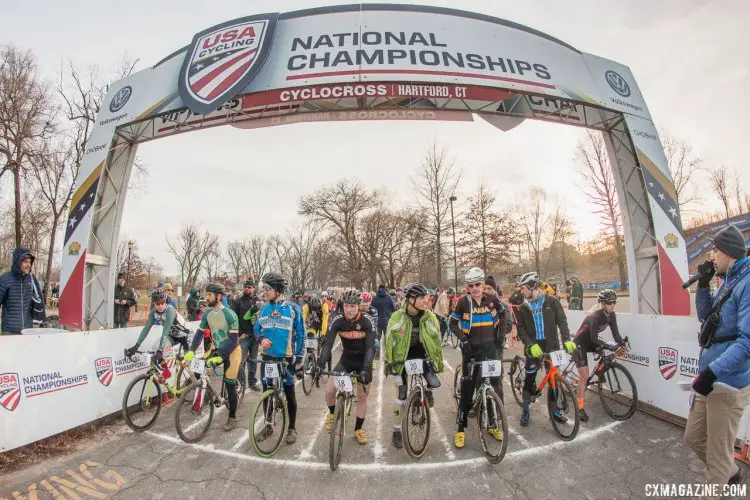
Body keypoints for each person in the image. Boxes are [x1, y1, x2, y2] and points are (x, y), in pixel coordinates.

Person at [684, 225, 750, 486]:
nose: (711, 256)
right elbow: (706, 317)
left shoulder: (746, 283)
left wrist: (712, 372)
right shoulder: (728, 280)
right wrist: (703, 284)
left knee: (717, 457)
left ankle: (721, 475)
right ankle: (730, 471)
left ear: (728, 253)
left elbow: (747, 343)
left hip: (727, 383)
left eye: (714, 250)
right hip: (710, 378)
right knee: (693, 437)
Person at [449, 267, 505, 449]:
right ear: (467, 287)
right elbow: (452, 323)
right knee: (468, 391)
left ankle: (492, 425)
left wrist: (501, 335)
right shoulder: (463, 303)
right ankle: (460, 429)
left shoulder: (492, 300)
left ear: (483, 284)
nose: (475, 288)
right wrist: (463, 340)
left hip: (490, 352)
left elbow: (503, 314)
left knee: (492, 388)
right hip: (471, 352)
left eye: (478, 284)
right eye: (471, 285)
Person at [384, 283, 444, 448]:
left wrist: (437, 363)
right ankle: (397, 431)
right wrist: (389, 364)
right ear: (411, 299)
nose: (426, 301)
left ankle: (427, 392)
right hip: (401, 359)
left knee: (433, 382)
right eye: (421, 298)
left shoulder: (430, 316)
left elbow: (437, 342)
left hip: (423, 356)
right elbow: (389, 341)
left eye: (426, 297)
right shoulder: (397, 317)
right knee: (402, 394)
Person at [315, 289, 375, 445]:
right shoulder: (337, 321)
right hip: (346, 361)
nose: (349, 310)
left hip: (363, 362)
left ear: (359, 306)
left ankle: (358, 429)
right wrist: (320, 364)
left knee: (362, 397)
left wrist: (366, 369)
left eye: (353, 306)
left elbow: (370, 348)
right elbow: (328, 345)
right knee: (328, 391)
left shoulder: (367, 321)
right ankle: (332, 414)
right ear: (343, 306)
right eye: (347, 306)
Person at [516, 271, 576, 428]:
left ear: (532, 287)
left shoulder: (552, 301)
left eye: (523, 288)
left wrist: (567, 340)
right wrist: (529, 344)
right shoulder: (523, 307)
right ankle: (526, 409)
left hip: (552, 345)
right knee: (530, 379)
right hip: (533, 347)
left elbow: (562, 322)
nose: (522, 291)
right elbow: (521, 329)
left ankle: (554, 411)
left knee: (554, 379)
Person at [253, 272, 305, 445]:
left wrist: (298, 359)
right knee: (267, 390)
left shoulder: (293, 308)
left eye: (267, 288)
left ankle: (292, 428)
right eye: (263, 289)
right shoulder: (263, 308)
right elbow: (256, 329)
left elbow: (301, 334)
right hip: (267, 356)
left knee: (289, 393)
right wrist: (261, 339)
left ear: (278, 289)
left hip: (286, 357)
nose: (264, 292)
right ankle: (268, 425)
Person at [182, 283, 241, 431]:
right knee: (199, 367)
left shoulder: (229, 314)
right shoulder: (207, 314)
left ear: (219, 297)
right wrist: (191, 350)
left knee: (229, 384)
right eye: (206, 294)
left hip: (232, 351)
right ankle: (207, 395)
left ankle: (232, 417)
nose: (206, 297)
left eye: (209, 295)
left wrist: (220, 356)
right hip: (217, 348)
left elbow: (233, 341)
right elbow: (199, 333)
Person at [572, 289, 625, 422]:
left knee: (613, 354)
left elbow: (616, 334)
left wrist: (621, 343)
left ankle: (601, 372)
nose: (612, 305)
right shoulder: (596, 316)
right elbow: (594, 339)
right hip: (580, 344)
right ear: (602, 304)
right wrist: (608, 345)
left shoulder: (612, 315)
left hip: (591, 342)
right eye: (609, 302)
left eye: (614, 302)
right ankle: (580, 409)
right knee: (584, 377)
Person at [125, 289, 193, 384]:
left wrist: (161, 350)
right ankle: (166, 371)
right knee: (155, 347)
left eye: (162, 302)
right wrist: (136, 345)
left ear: (165, 301)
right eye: (157, 304)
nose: (160, 306)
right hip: (173, 336)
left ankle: (196, 384)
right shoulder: (153, 313)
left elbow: (165, 331)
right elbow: (146, 329)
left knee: (187, 361)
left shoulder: (170, 310)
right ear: (153, 303)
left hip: (186, 336)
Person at [0, 247, 45, 335]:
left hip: (27, 331)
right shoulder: (5, 279)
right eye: (25, 262)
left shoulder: (31, 279)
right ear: (18, 262)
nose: (29, 265)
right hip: (9, 331)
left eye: (30, 262)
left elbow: (39, 301)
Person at [232, 280, 261, 391]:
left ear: (253, 288)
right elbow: (233, 318)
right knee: (241, 361)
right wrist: (240, 333)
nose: (247, 289)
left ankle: (252, 382)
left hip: (255, 336)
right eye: (245, 287)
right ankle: (239, 384)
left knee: (253, 360)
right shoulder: (238, 302)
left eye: (249, 287)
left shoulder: (258, 301)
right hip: (244, 335)